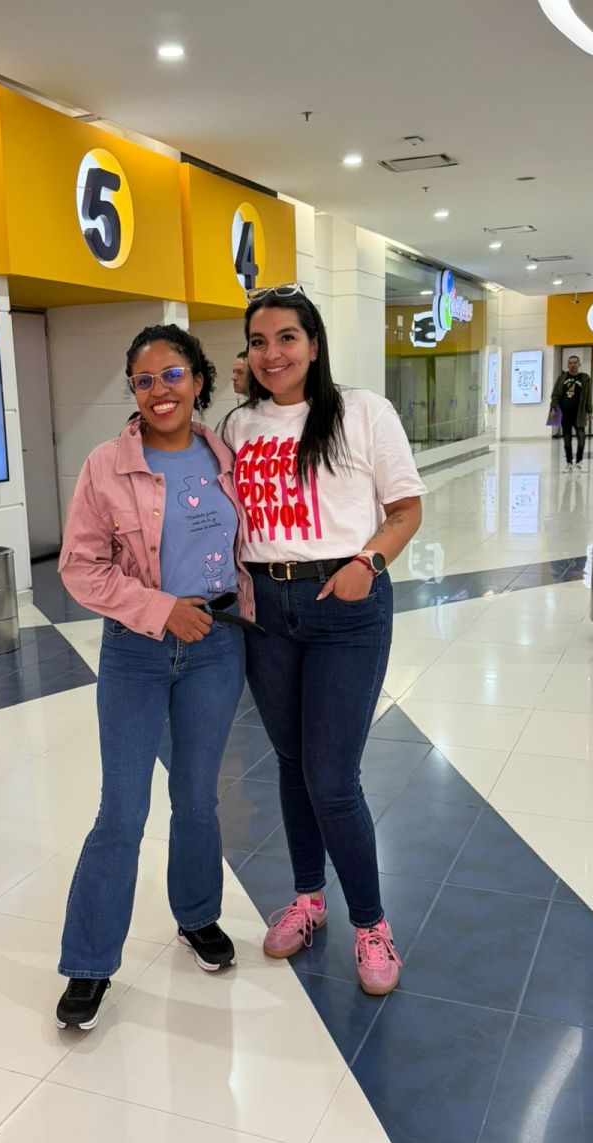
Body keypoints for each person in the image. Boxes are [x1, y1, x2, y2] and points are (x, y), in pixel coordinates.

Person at [222, 284, 426, 996]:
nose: (272, 353)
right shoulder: (239, 426)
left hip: (344, 604)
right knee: (290, 762)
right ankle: (308, 900)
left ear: (314, 343)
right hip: (265, 608)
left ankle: (371, 924)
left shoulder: (363, 412)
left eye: (287, 337)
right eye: (258, 341)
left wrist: (366, 565)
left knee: (332, 779)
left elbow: (406, 509)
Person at [55, 324, 255, 1031]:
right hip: (136, 652)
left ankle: (196, 916)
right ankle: (89, 960)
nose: (159, 391)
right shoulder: (105, 465)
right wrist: (158, 608)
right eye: (144, 381)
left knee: (197, 797)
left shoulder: (226, 455)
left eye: (172, 375)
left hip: (217, 647)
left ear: (199, 379)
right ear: (133, 392)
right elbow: (79, 567)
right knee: (122, 810)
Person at [550, 355, 592, 471]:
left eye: (575, 362)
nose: (573, 365)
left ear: (579, 364)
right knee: (567, 439)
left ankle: (579, 461)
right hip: (564, 413)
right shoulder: (562, 378)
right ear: (568, 365)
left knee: (581, 438)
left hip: (579, 413)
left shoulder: (584, 378)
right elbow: (555, 394)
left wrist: (590, 411)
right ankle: (569, 462)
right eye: (570, 363)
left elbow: (588, 397)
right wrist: (553, 408)